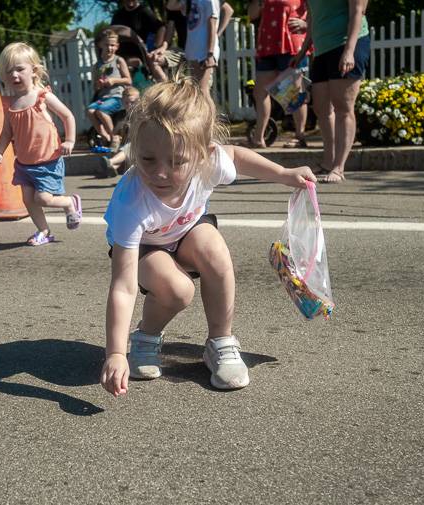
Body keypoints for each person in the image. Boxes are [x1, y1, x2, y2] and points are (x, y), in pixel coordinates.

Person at [99, 76, 316, 396]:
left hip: (185, 229)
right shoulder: (132, 203)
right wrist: (115, 353)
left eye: (176, 162)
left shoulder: (211, 161)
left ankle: (220, 342)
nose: (160, 173)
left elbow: (238, 156)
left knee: (215, 251)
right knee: (177, 290)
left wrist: (284, 175)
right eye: (147, 159)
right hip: (147, 244)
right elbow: (123, 286)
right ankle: (145, 337)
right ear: (135, 147)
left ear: (203, 154)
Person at [0, 42, 81, 246]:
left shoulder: (42, 96)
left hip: (47, 160)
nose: (14, 75)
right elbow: (6, 133)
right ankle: (43, 231)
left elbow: (67, 116)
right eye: (9, 71)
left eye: (20, 69)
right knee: (28, 200)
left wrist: (70, 140)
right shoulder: (11, 104)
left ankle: (69, 203)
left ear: (34, 71)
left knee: (43, 199)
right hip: (24, 163)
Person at [292, 0, 370, 183]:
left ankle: (338, 167)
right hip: (322, 49)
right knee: (321, 107)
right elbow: (313, 18)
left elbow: (358, 11)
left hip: (347, 43)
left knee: (343, 105)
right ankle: (328, 162)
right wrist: (303, 51)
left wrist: (349, 51)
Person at [247, 0, 310, 148]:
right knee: (260, 92)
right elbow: (252, 14)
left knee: (293, 92)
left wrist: (306, 25)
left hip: (291, 43)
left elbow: (317, 10)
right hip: (268, 44)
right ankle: (258, 137)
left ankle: (300, 136)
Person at [87, 29, 132, 148]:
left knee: (101, 111)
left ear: (117, 46)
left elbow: (128, 80)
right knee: (90, 111)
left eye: (112, 45)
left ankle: (115, 136)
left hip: (116, 96)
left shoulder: (118, 60)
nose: (109, 48)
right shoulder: (97, 65)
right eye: (106, 44)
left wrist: (114, 80)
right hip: (103, 97)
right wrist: (99, 84)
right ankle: (104, 135)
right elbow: (95, 87)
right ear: (100, 45)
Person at [111, 0, 169, 81]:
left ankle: (166, 88)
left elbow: (161, 27)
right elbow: (112, 34)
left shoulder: (144, 11)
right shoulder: (117, 15)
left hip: (140, 53)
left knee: (156, 67)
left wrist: (157, 47)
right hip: (120, 52)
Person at [183, 0, 222, 98]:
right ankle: (203, 114)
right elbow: (171, 6)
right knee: (196, 92)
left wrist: (210, 53)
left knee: (203, 90)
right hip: (193, 51)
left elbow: (212, 24)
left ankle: (212, 114)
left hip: (203, 52)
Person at [102, 86, 140, 177]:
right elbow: (115, 132)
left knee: (129, 146)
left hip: (136, 145)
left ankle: (111, 162)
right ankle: (113, 167)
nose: (129, 105)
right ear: (122, 102)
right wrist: (116, 133)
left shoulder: (141, 115)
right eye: (126, 103)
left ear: (139, 101)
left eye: (133, 102)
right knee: (115, 142)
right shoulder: (120, 115)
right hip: (123, 144)